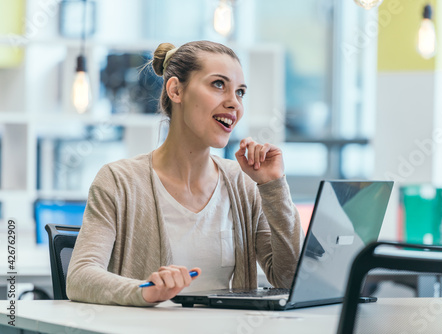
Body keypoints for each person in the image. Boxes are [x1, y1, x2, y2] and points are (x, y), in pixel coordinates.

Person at [66, 40, 303, 306]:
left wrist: (273, 187)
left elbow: (290, 279)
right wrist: (145, 290)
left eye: (240, 92)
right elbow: (80, 277)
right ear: (176, 90)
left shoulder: (242, 184)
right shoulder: (119, 181)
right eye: (218, 84)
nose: (234, 103)